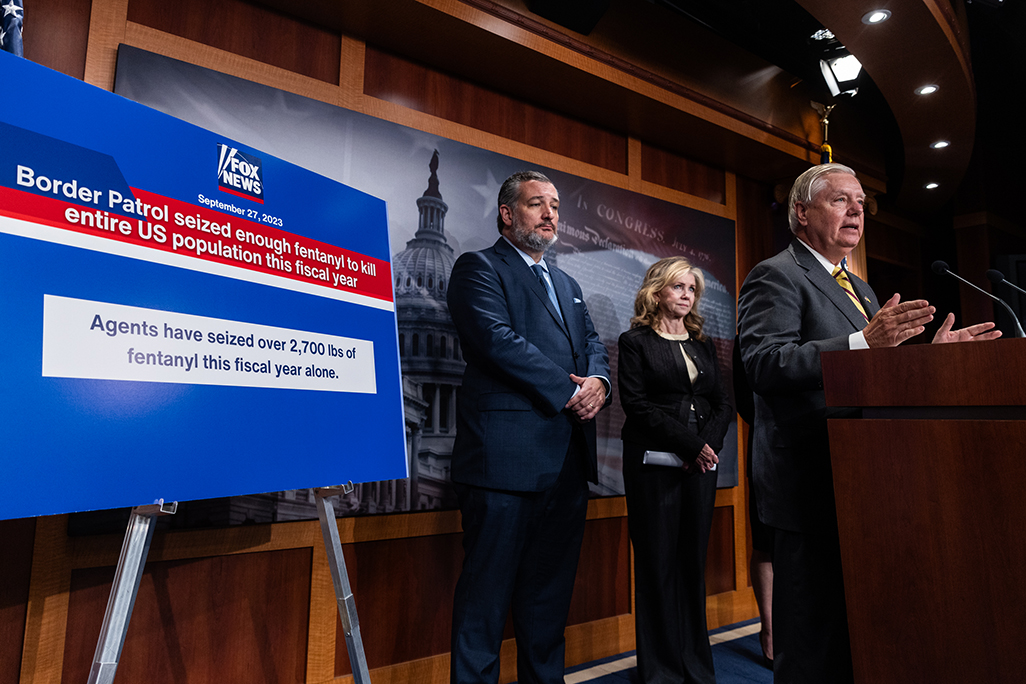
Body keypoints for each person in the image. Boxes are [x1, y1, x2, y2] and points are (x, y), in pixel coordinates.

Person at [736, 163, 1000, 683]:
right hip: (808, 481)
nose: (857, 210)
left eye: (860, 201)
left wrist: (930, 359)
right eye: (840, 200)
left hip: (866, 479)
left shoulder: (859, 287)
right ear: (801, 213)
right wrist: (862, 342)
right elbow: (764, 364)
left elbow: (875, 375)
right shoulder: (777, 274)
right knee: (811, 640)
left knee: (855, 632)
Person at [446, 170, 611, 684]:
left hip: (566, 465)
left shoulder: (568, 282)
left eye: (556, 206)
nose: (550, 214)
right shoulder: (478, 268)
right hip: (503, 465)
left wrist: (601, 381)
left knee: (547, 605)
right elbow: (496, 341)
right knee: (484, 607)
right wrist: (571, 389)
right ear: (507, 213)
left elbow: (593, 341)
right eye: (537, 203)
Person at [618, 256, 732, 684]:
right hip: (653, 467)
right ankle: (662, 672)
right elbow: (637, 406)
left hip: (700, 468)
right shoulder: (635, 342)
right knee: (657, 565)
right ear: (657, 291)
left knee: (690, 565)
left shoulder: (703, 344)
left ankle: (696, 668)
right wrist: (692, 445)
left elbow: (722, 403)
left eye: (692, 290)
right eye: (678, 287)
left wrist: (707, 448)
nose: (686, 295)